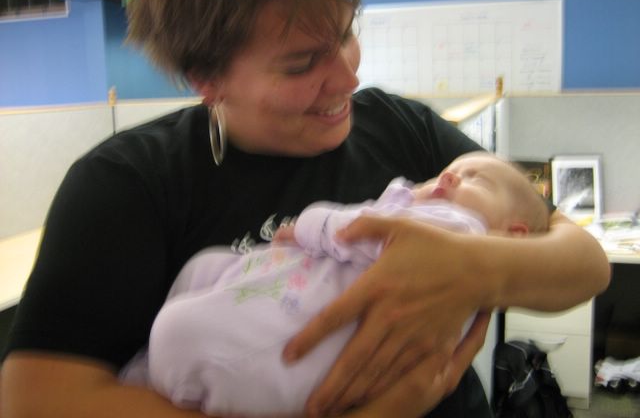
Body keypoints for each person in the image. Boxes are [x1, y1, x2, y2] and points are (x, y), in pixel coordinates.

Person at [0, 0, 610, 418]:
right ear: (206, 79)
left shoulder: (399, 127)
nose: (347, 78)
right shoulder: (126, 185)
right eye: (300, 65)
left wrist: (473, 267)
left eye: (346, 34)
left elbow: (584, 263)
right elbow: (36, 398)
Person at [120, 152, 551, 417]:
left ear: (512, 235)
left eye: (476, 179)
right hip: (284, 289)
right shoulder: (429, 212)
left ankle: (168, 370)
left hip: (297, 341)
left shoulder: (463, 231)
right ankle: (154, 371)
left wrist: (312, 223)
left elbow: (357, 229)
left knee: (177, 333)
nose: (449, 177)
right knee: (204, 267)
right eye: (449, 170)